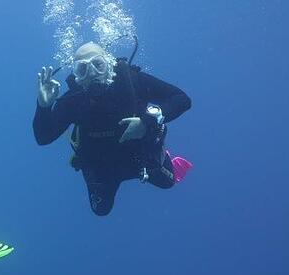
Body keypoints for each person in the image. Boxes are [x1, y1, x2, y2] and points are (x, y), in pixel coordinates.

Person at [33, 41, 193, 216]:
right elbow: (43, 137)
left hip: (141, 157)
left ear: (109, 63)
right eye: (82, 68)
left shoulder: (133, 81)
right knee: (101, 210)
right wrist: (43, 106)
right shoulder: (73, 101)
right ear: (76, 75)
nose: (92, 73)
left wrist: (146, 121)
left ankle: (165, 157)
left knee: (168, 183)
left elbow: (181, 99)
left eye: (98, 64)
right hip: (102, 167)